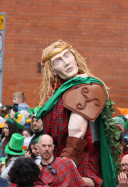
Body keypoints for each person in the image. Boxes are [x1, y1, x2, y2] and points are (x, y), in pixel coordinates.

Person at [36, 40, 118, 186]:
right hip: (57, 159)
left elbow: (77, 132)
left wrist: (65, 166)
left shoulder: (86, 87)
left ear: (75, 57)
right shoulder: (59, 94)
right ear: (52, 71)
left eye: (67, 56)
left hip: (80, 161)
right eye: (58, 61)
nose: (66, 63)